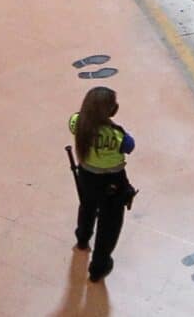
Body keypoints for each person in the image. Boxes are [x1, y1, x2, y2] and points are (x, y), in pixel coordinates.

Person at [69, 85, 136, 282]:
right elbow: (130, 146)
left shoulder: (77, 123)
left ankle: (82, 237)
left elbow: (72, 121)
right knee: (110, 223)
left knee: (87, 206)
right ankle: (99, 265)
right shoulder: (117, 135)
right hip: (113, 182)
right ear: (111, 110)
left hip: (87, 176)